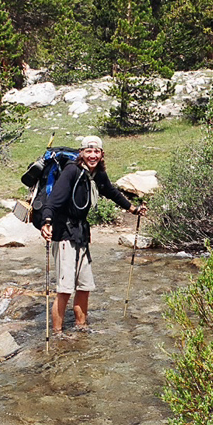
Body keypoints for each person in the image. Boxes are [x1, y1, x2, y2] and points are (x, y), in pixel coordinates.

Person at [39, 136, 146, 336]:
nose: (93, 155)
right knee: (64, 289)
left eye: (96, 151)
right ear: (81, 153)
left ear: (102, 154)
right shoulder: (71, 171)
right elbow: (54, 200)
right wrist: (47, 222)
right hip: (63, 234)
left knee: (84, 285)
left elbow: (112, 192)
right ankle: (58, 334)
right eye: (89, 151)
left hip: (81, 235)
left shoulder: (97, 174)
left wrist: (132, 208)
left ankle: (81, 328)